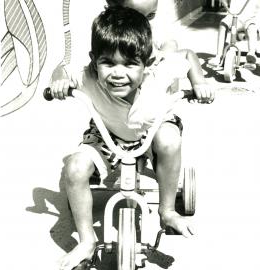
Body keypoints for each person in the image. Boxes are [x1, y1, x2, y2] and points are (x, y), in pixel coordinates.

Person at [49, 6, 215, 270]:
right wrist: (58, 82)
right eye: (108, 63)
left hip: (152, 126)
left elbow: (188, 55)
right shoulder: (88, 75)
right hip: (106, 132)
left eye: (129, 64)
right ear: (94, 60)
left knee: (170, 140)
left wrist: (200, 83)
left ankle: (168, 211)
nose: (117, 73)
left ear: (147, 63)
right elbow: (62, 70)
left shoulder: (159, 71)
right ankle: (86, 241)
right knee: (75, 168)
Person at [51, 0, 178, 91]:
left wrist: (165, 54)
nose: (144, 23)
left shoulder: (152, 30)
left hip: (147, 103)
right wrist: (60, 80)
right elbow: (66, 69)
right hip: (112, 108)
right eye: (135, 16)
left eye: (151, 15)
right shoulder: (107, 34)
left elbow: (171, 43)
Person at [208, 0, 260, 67]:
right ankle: (218, 56)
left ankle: (251, 55)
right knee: (223, 24)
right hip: (233, 16)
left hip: (249, 18)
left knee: (252, 28)